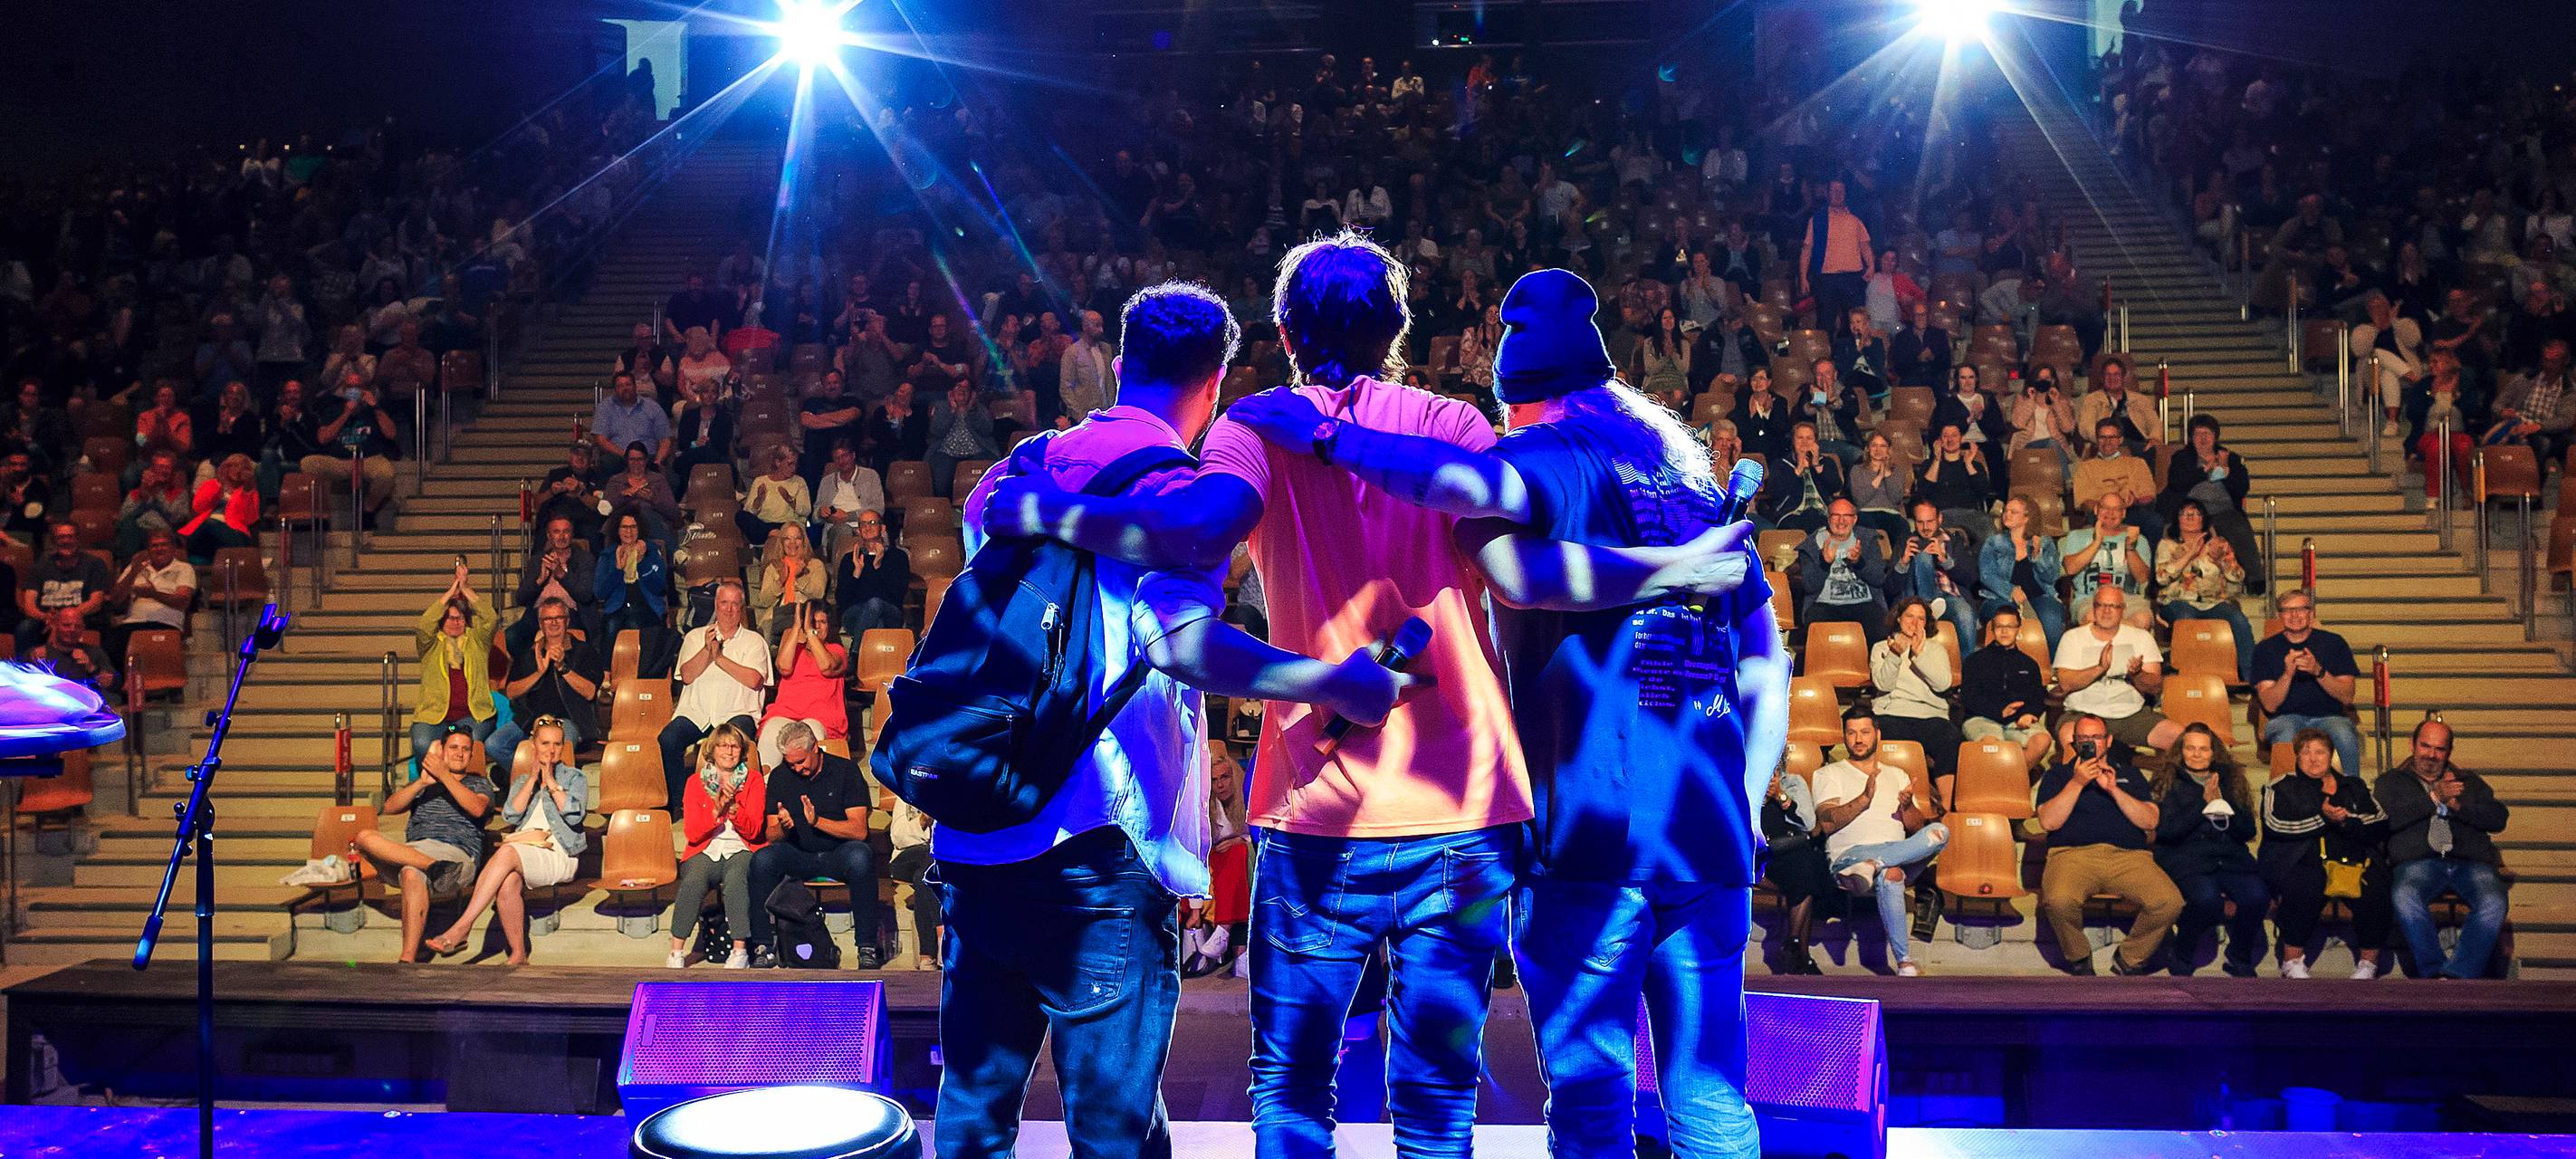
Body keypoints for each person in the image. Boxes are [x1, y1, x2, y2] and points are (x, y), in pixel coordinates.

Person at [978, 257, 1723, 1155]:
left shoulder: (1255, 427)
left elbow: (1193, 534)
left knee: (1292, 1089)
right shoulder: (1453, 422)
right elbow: (1519, 581)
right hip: (1466, 802)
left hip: (1313, 807)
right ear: (1396, 331)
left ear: (1287, 335)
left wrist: (1044, 506)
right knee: (1438, 1094)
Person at [1193, 265, 1776, 1154]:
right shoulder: (1692, 486)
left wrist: (1323, 435)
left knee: (1579, 1103)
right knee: (1706, 1098)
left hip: (1580, 828)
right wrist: (1754, 794)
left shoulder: (1528, 455)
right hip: (1663, 827)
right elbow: (1766, 663)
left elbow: (1509, 555)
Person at [953, 278, 1435, 1154]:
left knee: (975, 1114)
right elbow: (1180, 643)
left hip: (980, 823)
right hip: (1097, 841)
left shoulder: (1010, 469)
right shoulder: (1177, 487)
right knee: (1113, 1125)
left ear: (1118, 364)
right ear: (1215, 382)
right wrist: (1329, 682)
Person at [421, 719, 588, 964]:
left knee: (507, 852)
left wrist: (551, 782)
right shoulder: (522, 781)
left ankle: (463, 927)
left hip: (558, 852)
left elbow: (575, 814)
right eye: (545, 743)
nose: (551, 750)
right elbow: (511, 814)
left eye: (556, 744)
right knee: (508, 882)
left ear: (563, 748)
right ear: (534, 746)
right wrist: (532, 780)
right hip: (525, 850)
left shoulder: (575, 778)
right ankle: (518, 954)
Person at [2034, 713, 2185, 974]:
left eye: (2096, 738)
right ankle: (2079, 958)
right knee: (2058, 901)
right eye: (2084, 738)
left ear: (2109, 740)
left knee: (2169, 902)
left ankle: (2129, 959)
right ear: (2075, 743)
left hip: (2129, 858)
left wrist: (2114, 789)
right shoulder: (2058, 775)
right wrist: (2077, 782)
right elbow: (2048, 822)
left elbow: (2150, 821)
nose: (2091, 743)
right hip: (2072, 856)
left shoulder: (2130, 775)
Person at [1812, 708, 1949, 977]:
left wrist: (1908, 807)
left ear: (1877, 735)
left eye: (1864, 732)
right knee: (1893, 874)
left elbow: (1915, 828)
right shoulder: (1829, 774)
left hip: (1887, 858)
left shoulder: (1897, 775)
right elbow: (1827, 823)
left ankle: (1876, 864)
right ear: (1844, 737)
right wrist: (1863, 799)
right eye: (1851, 733)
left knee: (1939, 833)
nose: (1858, 739)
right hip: (1850, 858)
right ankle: (1905, 962)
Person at [2378, 719, 2512, 980]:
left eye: (2439, 749)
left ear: (2449, 751)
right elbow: (2387, 820)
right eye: (2425, 746)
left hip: (2469, 862)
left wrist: (2460, 807)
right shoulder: (2392, 781)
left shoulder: (2468, 782)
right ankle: (2433, 970)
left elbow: (2499, 819)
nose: (2431, 755)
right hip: (2419, 862)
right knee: (2404, 895)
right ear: (2412, 745)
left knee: (2495, 900)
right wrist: (2434, 799)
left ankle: (2458, 974)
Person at [351, 729, 493, 963]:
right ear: (443, 752)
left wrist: (445, 775)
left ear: (470, 756)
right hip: (417, 851)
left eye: (465, 749)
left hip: (456, 855)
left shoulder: (478, 784)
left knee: (410, 872)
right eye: (453, 748)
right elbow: (390, 807)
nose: (460, 753)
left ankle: (407, 959)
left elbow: (477, 809)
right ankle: (434, 867)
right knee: (364, 837)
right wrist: (422, 782)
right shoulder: (425, 784)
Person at [744, 721, 878, 968]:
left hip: (838, 852)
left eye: (801, 761)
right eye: (791, 763)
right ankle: (763, 945)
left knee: (861, 857)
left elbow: (859, 830)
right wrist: (783, 828)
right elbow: (771, 836)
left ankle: (867, 946)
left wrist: (817, 821)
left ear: (815, 748)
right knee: (762, 860)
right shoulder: (780, 776)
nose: (796, 768)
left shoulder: (845, 771)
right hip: (798, 853)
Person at [2262, 727, 2392, 980]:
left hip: (2353, 859)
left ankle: (2368, 965)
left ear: (2331, 755)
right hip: (2303, 858)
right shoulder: (2282, 786)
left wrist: (2346, 821)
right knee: (2304, 884)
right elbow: (2275, 825)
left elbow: (2379, 821)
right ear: (2297, 757)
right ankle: (2292, 962)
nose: (2313, 758)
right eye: (2306, 752)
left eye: (2320, 752)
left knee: (2375, 888)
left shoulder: (2353, 786)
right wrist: (2324, 819)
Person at [2150, 724, 2269, 977]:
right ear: (2181, 751)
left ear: (2213, 753)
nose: (2196, 754)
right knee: (2206, 899)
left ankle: (2240, 957)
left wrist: (2220, 804)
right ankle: (2182, 954)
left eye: (2203, 749)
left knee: (2257, 896)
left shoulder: (2230, 779)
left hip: (2230, 859)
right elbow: (2167, 831)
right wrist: (2204, 805)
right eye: (2190, 748)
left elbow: (2247, 831)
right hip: (2187, 860)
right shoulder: (2167, 780)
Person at [656, 580, 772, 810]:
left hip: (737, 712)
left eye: (734, 604)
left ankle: (735, 804)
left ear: (741, 608)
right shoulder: (695, 637)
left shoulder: (753, 641)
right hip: (697, 712)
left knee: (733, 741)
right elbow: (687, 675)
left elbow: (753, 679)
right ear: (716, 606)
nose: (729, 610)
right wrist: (708, 651)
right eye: (724, 603)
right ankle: (680, 804)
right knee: (668, 739)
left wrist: (719, 658)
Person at [667, 722, 766, 969]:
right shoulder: (695, 783)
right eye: (723, 745)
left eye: (734, 746)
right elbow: (692, 832)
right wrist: (717, 810)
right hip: (705, 847)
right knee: (693, 880)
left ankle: (739, 950)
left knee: (736, 880)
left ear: (742, 752)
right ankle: (676, 952)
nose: (729, 751)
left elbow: (754, 829)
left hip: (742, 847)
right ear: (712, 750)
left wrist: (733, 808)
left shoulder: (753, 780)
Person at [2252, 589, 2363, 785]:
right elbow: (2269, 704)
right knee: (2286, 734)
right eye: (2287, 610)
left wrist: (2318, 671)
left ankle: (2353, 793)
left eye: (2301, 609)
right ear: (2280, 616)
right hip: (2284, 718)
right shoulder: (2265, 649)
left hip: (2330, 717)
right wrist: (2288, 673)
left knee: (2344, 734)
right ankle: (2287, 798)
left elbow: (2347, 696)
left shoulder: (2334, 643)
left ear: (2311, 614)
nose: (2294, 616)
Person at [2053, 587, 2180, 755]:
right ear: (2093, 608)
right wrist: (2099, 668)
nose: (2106, 611)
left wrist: (2137, 674)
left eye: (2113, 606)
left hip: (2132, 715)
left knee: (2183, 740)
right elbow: (2066, 683)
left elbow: (2155, 687)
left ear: (2123, 610)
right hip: (2083, 714)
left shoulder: (2141, 638)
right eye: (2101, 605)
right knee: (2070, 739)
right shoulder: (2073, 637)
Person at [488, 598, 600, 769]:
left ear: (567, 621)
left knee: (558, 747)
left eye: (559, 617)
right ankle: (528, 777)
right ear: (541, 624)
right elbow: (511, 691)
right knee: (494, 744)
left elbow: (590, 692)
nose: (553, 623)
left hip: (568, 720)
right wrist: (538, 673)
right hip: (530, 719)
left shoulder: (584, 651)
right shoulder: (529, 653)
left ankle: (545, 782)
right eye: (548, 619)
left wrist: (563, 668)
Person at [410, 562, 499, 775]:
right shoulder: (431, 644)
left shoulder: (476, 641)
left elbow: (491, 618)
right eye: (450, 617)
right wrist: (451, 592)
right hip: (435, 718)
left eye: (460, 618)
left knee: (468, 744)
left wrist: (466, 589)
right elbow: (424, 624)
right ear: (442, 621)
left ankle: (463, 786)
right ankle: (433, 786)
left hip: (472, 716)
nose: (455, 622)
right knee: (422, 742)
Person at [2155, 500, 2252, 683]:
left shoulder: (2218, 544)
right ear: (2177, 519)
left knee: (2238, 619)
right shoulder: (2166, 545)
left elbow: (2238, 576)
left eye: (2196, 513)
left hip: (2214, 602)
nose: (2191, 518)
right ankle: (2188, 675)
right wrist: (2190, 554)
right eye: (2185, 514)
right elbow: (2162, 578)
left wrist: (2221, 562)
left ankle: (2249, 676)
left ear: (2203, 519)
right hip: (2178, 601)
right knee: (2186, 620)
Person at [1869, 598, 1961, 785]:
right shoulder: (1881, 647)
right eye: (1909, 616)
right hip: (1893, 712)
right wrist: (1895, 655)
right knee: (1885, 733)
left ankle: (1945, 805)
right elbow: (1883, 685)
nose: (1914, 622)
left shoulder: (1936, 649)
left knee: (1951, 737)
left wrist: (1919, 655)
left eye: (1921, 618)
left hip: (1930, 714)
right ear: (1899, 619)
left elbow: (1943, 684)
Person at [1761, 761, 1838, 976]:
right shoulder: (1746, 781)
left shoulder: (1793, 782)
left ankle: (1794, 945)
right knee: (1807, 871)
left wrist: (1781, 797)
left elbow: (1810, 824)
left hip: (1792, 850)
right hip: (1761, 855)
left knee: (1806, 864)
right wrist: (1761, 799)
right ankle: (1801, 954)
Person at [1959, 606, 2053, 771]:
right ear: (1993, 629)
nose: (2004, 632)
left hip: (2018, 721)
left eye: (2010, 627)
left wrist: (2029, 714)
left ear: (2018, 629)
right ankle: (2003, 784)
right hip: (1982, 719)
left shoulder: (2029, 664)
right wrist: (1999, 712)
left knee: (2042, 740)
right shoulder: (1975, 661)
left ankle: (2011, 780)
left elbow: (2037, 697)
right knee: (1992, 746)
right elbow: (1969, 697)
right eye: (2000, 627)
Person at [757, 602, 847, 769]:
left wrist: (810, 633)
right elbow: (783, 667)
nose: (817, 627)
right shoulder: (794, 649)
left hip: (819, 718)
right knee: (771, 731)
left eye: (822, 622)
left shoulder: (836, 650)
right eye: (813, 623)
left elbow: (827, 667)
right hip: (785, 713)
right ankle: (768, 787)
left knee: (809, 735)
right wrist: (797, 628)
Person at [1793, 498, 1891, 643]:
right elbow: (1810, 586)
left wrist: (1859, 562)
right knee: (1819, 638)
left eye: (1847, 516)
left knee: (1879, 633)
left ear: (1855, 519)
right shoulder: (1811, 545)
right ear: (1828, 518)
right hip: (1824, 605)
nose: (1841, 521)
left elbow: (1878, 579)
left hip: (1864, 603)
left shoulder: (1867, 540)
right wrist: (1825, 564)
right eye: (1836, 516)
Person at [1978, 494, 2065, 646]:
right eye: (2006, 511)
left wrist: (2037, 555)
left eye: (2014, 512)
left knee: (2051, 619)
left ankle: (2051, 667)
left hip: (2040, 596)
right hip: (1999, 598)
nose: (2007, 515)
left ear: (2026, 518)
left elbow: (2052, 577)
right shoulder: (1994, 542)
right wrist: (2010, 591)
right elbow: (1987, 575)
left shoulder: (2044, 542)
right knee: (2004, 617)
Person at [104, 531, 195, 676]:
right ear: (148, 550)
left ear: (173, 548)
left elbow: (183, 601)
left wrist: (153, 594)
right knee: (111, 642)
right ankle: (125, 689)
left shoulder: (184, 568)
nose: (159, 549)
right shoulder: (136, 566)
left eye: (164, 545)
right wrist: (134, 571)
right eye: (154, 546)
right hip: (132, 624)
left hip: (166, 624)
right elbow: (115, 599)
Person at [18, 522, 111, 653]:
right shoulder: (41, 565)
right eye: (60, 537)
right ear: (53, 542)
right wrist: (44, 617)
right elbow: (29, 604)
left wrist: (64, 618)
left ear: (78, 540)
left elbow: (96, 602)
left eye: (70, 537)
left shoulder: (94, 564)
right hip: (46, 619)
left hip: (81, 617)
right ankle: (23, 670)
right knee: (25, 628)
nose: (66, 541)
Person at [2062, 493, 2152, 627]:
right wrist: (2097, 541)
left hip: (2128, 599)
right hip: (2089, 599)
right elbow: (2070, 568)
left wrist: (2130, 547)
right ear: (2096, 510)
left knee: (2143, 619)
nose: (2110, 513)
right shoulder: (2077, 536)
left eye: (2116, 509)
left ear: (2123, 513)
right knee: (2093, 619)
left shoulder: (2139, 539)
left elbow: (2142, 578)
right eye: (2105, 508)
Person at [1895, 498, 1977, 644]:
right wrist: (1904, 562)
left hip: (1948, 598)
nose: (1925, 527)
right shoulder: (1905, 542)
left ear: (1939, 519)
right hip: (1914, 601)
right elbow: (1890, 587)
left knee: (1965, 614)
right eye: (1920, 522)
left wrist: (1945, 560)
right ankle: (1927, 606)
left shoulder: (1954, 541)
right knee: (1923, 556)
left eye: (1930, 521)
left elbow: (1970, 579)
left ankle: (1967, 665)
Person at [1799, 179, 1875, 330]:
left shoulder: (1855, 219)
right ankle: (1827, 353)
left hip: (1853, 278)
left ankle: (1856, 353)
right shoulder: (1817, 220)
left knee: (1856, 323)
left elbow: (1865, 245)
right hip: (1827, 279)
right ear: (1827, 193)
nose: (1838, 194)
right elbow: (1807, 250)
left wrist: (1871, 266)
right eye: (1834, 190)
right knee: (1825, 322)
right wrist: (1803, 278)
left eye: (1841, 191)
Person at [1761, 424, 1849, 532]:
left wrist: (1817, 465)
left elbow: (1836, 487)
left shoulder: (1826, 462)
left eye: (1809, 438)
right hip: (1790, 512)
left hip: (1823, 511)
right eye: (1800, 438)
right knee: (1808, 519)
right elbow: (1776, 492)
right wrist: (1798, 471)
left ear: (1816, 442)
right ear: (1793, 441)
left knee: (1824, 521)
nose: (1804, 442)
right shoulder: (1780, 464)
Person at [811, 438, 885, 561]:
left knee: (871, 533)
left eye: (844, 456)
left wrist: (849, 516)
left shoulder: (871, 476)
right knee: (843, 530)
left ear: (853, 455)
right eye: (837, 458)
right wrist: (821, 513)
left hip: (866, 526)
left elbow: (879, 509)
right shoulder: (826, 482)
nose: (841, 461)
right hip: (836, 530)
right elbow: (814, 518)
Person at [179, 454, 260, 563]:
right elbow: (198, 507)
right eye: (233, 466)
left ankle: (182, 542)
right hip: (207, 532)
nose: (238, 470)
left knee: (210, 524)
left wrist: (247, 490)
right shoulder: (211, 484)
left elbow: (249, 518)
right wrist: (219, 484)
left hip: (234, 534)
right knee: (197, 548)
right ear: (225, 468)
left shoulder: (249, 492)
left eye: (243, 467)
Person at [752, 522, 826, 638]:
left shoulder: (815, 565)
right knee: (788, 618)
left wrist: (800, 577)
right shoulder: (773, 568)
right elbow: (764, 601)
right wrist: (781, 581)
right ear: (781, 543)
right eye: (787, 539)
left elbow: (819, 594)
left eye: (797, 538)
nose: (792, 543)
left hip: (804, 613)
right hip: (778, 616)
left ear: (804, 542)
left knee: (797, 616)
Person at [736, 444, 810, 548]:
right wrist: (759, 499)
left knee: (792, 529)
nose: (794, 468)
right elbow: (749, 511)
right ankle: (772, 533)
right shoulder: (760, 481)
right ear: (778, 462)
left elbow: (806, 510)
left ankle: (775, 534)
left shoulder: (799, 481)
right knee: (741, 516)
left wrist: (790, 501)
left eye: (795, 464)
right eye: (790, 464)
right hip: (764, 526)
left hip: (787, 525)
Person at [607, 442, 683, 544]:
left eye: (640, 459)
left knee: (645, 511)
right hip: (623, 525)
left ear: (646, 460)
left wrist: (654, 499)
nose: (636, 463)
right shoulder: (616, 480)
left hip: (653, 524)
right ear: (627, 460)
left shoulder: (658, 479)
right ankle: (675, 552)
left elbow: (674, 512)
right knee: (636, 513)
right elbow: (605, 509)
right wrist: (623, 496)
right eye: (632, 459)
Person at [25, 607, 115, 693]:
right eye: (66, 625)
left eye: (78, 626)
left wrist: (92, 668)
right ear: (55, 626)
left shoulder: (94, 652)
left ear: (83, 629)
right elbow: (21, 687)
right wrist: (37, 667)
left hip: (85, 703)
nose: (72, 629)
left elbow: (113, 685)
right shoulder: (38, 654)